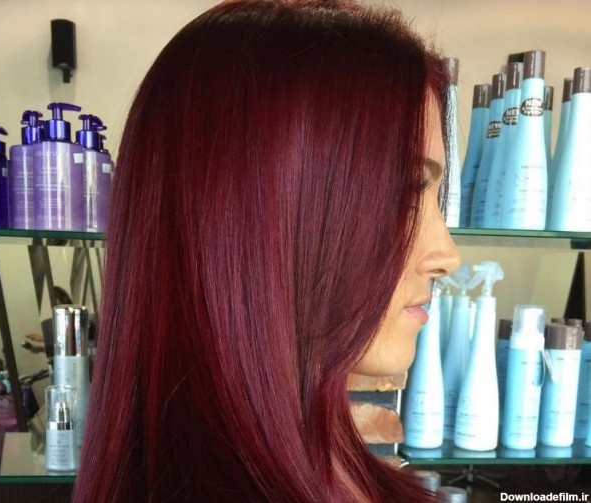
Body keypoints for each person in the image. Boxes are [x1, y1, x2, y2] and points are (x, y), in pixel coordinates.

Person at [74, 1, 461, 501]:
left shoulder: (337, 464)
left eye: (432, 197)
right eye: (401, 195)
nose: (446, 255)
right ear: (249, 219)